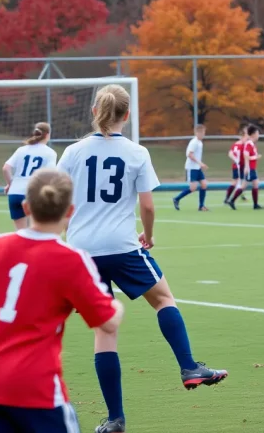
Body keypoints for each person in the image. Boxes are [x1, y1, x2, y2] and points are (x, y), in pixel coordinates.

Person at [56, 85, 227, 433]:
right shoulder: (137, 153)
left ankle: (115, 418)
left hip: (81, 253)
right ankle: (188, 366)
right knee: (163, 298)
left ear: (93, 112)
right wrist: (147, 235)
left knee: (105, 330)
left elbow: (57, 200)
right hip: (122, 246)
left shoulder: (72, 152)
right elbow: (147, 205)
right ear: (127, 115)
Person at [0, 170, 124, 433]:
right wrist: (115, 305)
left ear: (26, 207)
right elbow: (107, 323)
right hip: (35, 386)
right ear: (70, 211)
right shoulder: (69, 259)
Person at [3, 122, 58, 229]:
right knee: (36, 233)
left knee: (21, 234)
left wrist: (10, 184)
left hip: (15, 193)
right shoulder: (50, 153)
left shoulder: (21, 150)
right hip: (33, 193)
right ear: (47, 135)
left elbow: (6, 168)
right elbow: (50, 175)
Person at [173, 124, 208, 211]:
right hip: (192, 168)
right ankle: (176, 199)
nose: (203, 134)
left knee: (204, 185)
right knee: (193, 188)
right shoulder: (194, 142)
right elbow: (189, 154)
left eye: (204, 132)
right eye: (202, 132)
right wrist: (200, 163)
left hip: (197, 168)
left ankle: (201, 206)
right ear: (197, 133)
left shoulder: (200, 142)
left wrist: (200, 165)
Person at [228, 124, 264, 210]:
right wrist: (248, 166)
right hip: (250, 168)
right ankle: (232, 201)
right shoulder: (249, 143)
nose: (258, 135)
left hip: (252, 168)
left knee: (255, 184)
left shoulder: (252, 144)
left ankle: (255, 205)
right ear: (253, 134)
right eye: (257, 133)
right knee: (244, 185)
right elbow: (245, 155)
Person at [224, 125, 248, 204]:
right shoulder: (243, 145)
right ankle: (228, 198)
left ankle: (238, 196)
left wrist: (235, 159)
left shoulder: (236, 144)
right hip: (240, 166)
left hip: (237, 165)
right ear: (243, 136)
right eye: (246, 135)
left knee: (238, 181)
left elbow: (230, 153)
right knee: (239, 181)